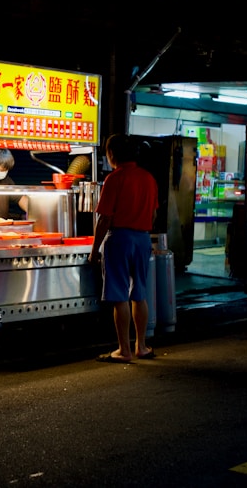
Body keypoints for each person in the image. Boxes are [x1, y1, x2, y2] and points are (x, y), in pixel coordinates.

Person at [89, 133, 159, 363]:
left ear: (111, 154)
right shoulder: (149, 178)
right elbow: (154, 213)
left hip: (119, 238)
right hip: (143, 239)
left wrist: (94, 249)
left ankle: (124, 350)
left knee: (119, 295)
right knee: (139, 293)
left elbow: (105, 219)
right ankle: (142, 347)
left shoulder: (114, 179)